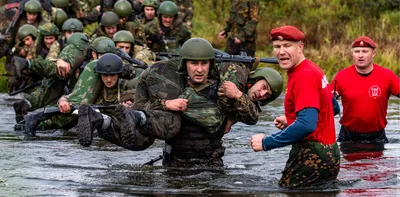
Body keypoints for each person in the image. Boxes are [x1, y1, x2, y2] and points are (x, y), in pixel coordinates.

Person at [76, 38, 259, 168]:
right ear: (184, 64)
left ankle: (103, 120)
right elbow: (144, 111)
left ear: (210, 65)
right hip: (174, 165)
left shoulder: (223, 90)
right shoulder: (169, 87)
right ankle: (100, 120)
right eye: (194, 64)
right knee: (150, 128)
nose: (199, 69)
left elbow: (252, 118)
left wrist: (238, 96)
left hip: (210, 164)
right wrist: (166, 104)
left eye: (204, 64)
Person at [250, 26, 340, 188]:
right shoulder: (312, 68)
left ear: (300, 47)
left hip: (312, 156)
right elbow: (333, 108)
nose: (281, 52)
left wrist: (266, 143)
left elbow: (307, 124)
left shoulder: (302, 76)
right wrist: (293, 118)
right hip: (330, 154)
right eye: (277, 47)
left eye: (287, 45)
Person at [331, 36, 400, 144]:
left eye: (365, 51)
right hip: (348, 138)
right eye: (357, 51)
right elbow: (325, 102)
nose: (360, 55)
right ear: (352, 53)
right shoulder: (341, 76)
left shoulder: (387, 76)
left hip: (377, 138)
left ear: (373, 54)